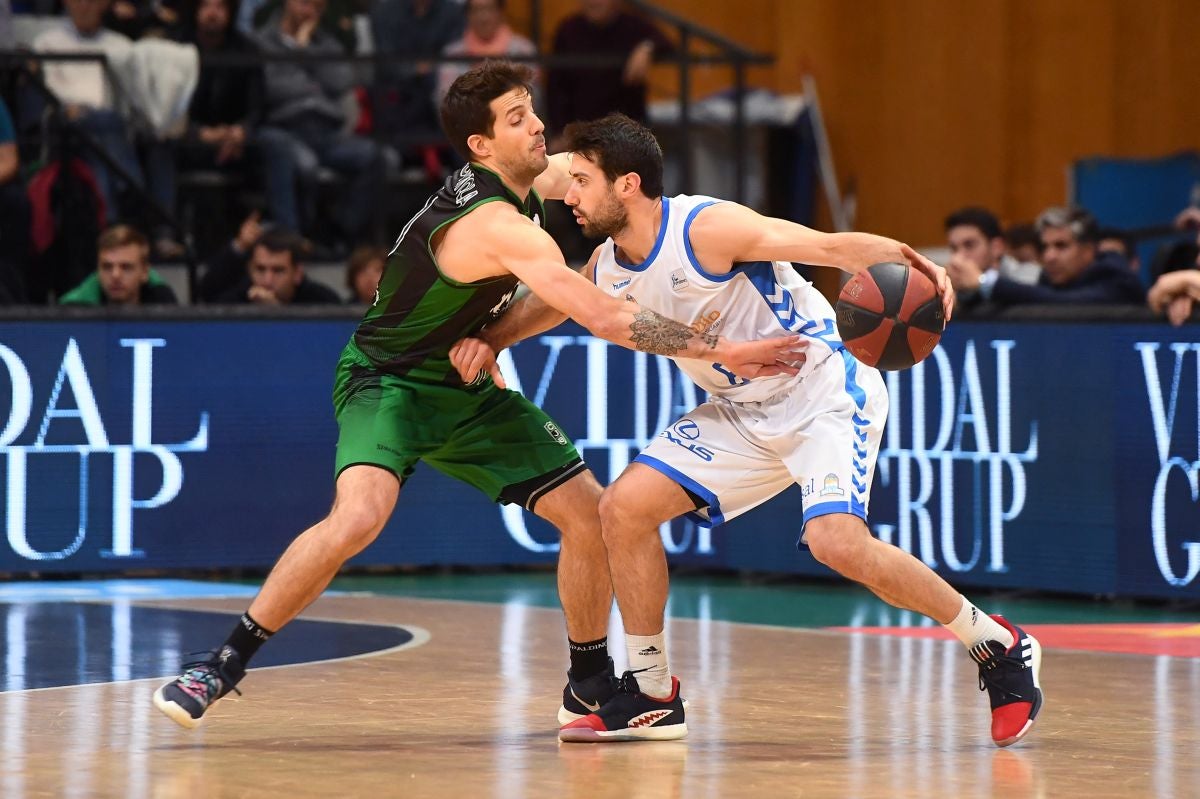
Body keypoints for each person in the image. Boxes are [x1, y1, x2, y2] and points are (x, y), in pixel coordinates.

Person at [152, 61, 799, 730]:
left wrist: (496, 333)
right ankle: (221, 663)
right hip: (390, 381)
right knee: (359, 517)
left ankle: (587, 679)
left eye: (532, 109)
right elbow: (604, 315)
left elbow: (605, 171)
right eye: (518, 119)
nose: (538, 125)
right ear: (481, 146)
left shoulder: (529, 173)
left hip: (465, 386)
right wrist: (720, 349)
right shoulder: (499, 224)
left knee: (591, 514)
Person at [451, 113, 1044, 747]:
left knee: (836, 543)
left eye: (583, 180)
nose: (568, 193)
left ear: (627, 185)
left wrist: (919, 266)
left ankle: (999, 645)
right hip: (740, 412)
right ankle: (651, 692)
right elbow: (558, 301)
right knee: (622, 509)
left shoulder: (707, 228)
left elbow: (827, 247)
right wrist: (488, 338)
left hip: (819, 391)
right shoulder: (607, 263)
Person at [957, 206, 1144, 306]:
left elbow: (1066, 305)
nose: (1049, 256)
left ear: (1088, 250)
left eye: (1061, 246)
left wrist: (984, 282)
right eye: (1045, 247)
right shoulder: (1049, 279)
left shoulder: (1115, 276)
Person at [433, 0, 537, 110]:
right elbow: (446, 106)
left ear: (501, 12)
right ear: (467, 15)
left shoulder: (523, 51)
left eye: (489, 9)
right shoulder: (452, 54)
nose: (483, 18)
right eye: (476, 10)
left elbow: (533, 100)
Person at [213, 227, 343, 304]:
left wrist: (277, 315)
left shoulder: (324, 304)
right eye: (260, 269)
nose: (267, 280)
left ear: (297, 273)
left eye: (278, 270)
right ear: (250, 269)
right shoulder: (231, 305)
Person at [942, 206, 1039, 310]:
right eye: (954, 248)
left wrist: (981, 282)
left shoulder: (1029, 276)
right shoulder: (953, 284)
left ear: (997, 247)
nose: (958, 258)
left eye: (969, 245)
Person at [59, 223, 179, 305]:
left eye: (126, 267)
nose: (115, 275)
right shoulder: (74, 309)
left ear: (144, 272)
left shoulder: (164, 303)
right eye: (107, 267)